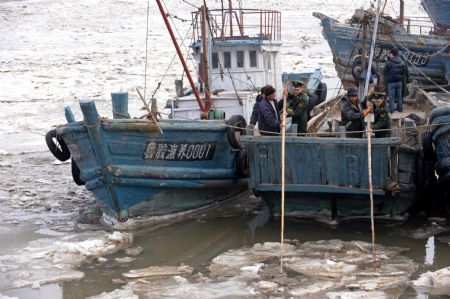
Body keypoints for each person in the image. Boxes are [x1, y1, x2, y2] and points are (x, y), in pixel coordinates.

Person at [383, 48, 406, 114]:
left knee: (391, 97)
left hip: (391, 83)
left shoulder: (388, 62)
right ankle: (400, 110)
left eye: (390, 53)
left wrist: (388, 78)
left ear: (392, 54)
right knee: (399, 96)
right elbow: (404, 72)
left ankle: (391, 111)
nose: (389, 55)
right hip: (399, 82)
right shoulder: (402, 62)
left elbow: (384, 72)